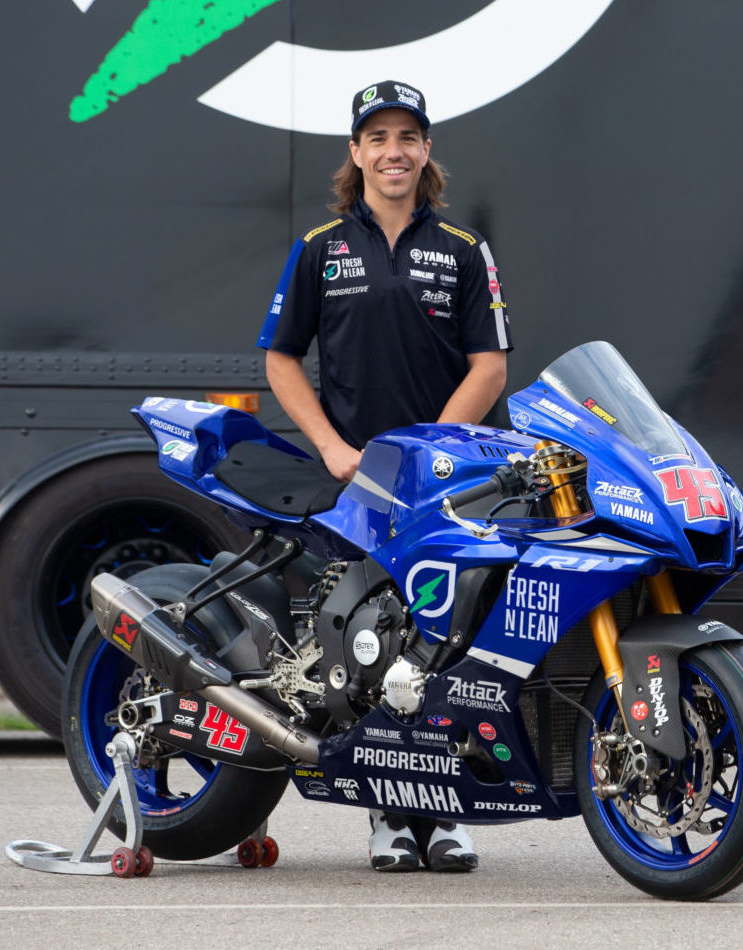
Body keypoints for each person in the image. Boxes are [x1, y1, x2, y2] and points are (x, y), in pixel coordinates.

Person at [256, 80, 512, 872]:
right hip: (361, 486)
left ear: (427, 149)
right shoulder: (320, 247)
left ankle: (452, 814)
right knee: (371, 650)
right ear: (356, 152)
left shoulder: (466, 250)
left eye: (408, 136)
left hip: (453, 482)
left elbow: (491, 367)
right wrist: (334, 448)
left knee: (458, 646)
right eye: (378, 137)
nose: (393, 151)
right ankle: (388, 819)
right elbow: (279, 358)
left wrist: (434, 450)